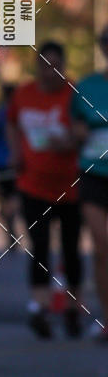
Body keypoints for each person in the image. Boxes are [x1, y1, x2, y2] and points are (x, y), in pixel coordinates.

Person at [7, 41, 82, 339]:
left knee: (71, 248)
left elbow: (88, 126)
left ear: (64, 67)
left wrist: (73, 140)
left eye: (56, 67)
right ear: (37, 68)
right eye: (45, 66)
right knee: (39, 247)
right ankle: (40, 307)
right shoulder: (23, 95)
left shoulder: (75, 94)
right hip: (33, 185)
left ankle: (74, 308)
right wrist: (16, 153)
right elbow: (11, 124)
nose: (51, 73)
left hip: (71, 186)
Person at [71, 24, 108, 340]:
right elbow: (75, 127)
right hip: (94, 174)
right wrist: (79, 133)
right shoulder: (88, 86)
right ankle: (107, 320)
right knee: (101, 246)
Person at [0, 83, 19, 251]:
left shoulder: (0, 112)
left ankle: (10, 229)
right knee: (13, 197)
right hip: (14, 162)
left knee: (5, 198)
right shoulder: (17, 112)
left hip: (0, 161)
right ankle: (11, 221)